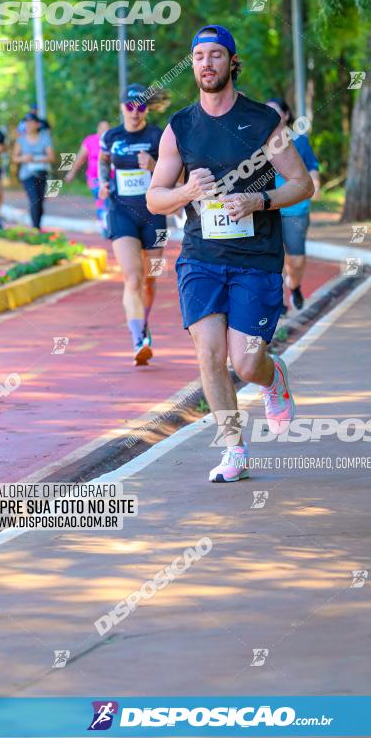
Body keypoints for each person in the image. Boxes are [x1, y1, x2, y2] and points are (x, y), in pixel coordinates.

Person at [147, 24, 313, 483]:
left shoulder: (264, 122)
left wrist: (259, 201)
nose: (207, 63)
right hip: (201, 257)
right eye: (199, 56)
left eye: (216, 55)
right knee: (209, 353)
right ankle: (233, 450)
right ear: (193, 65)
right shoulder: (179, 127)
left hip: (256, 257)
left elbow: (303, 184)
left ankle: (272, 377)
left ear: (232, 62)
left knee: (245, 362)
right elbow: (154, 197)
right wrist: (184, 192)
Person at [97, 84, 167, 366]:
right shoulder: (111, 137)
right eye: (129, 106)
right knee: (132, 278)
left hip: (154, 212)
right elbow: (103, 163)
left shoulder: (158, 136)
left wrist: (153, 166)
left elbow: (176, 172)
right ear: (122, 107)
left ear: (146, 109)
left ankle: (144, 323)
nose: (134, 113)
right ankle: (138, 339)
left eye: (140, 107)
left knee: (150, 281)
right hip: (121, 211)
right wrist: (102, 182)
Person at [266, 98, 320, 312]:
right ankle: (277, 299)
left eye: (276, 112)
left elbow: (312, 166)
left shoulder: (299, 140)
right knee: (273, 258)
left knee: (295, 260)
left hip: (295, 208)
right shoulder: (257, 141)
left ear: (286, 115)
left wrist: (315, 183)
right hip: (267, 208)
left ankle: (294, 286)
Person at [64, 120, 110, 235]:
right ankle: (104, 226)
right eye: (102, 129)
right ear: (98, 129)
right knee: (101, 200)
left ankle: (109, 223)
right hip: (94, 179)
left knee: (110, 203)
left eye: (107, 129)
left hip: (111, 178)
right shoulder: (90, 141)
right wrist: (71, 173)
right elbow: (80, 158)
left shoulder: (112, 140)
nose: (104, 131)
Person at [13, 113, 55, 230]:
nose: (29, 125)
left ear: (37, 124)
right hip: (27, 175)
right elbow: (15, 158)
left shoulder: (45, 138)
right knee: (34, 199)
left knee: (40, 201)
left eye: (32, 123)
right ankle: (35, 228)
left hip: (42, 172)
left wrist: (37, 158)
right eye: (27, 123)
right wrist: (24, 158)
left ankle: (38, 225)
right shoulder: (21, 140)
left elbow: (52, 157)